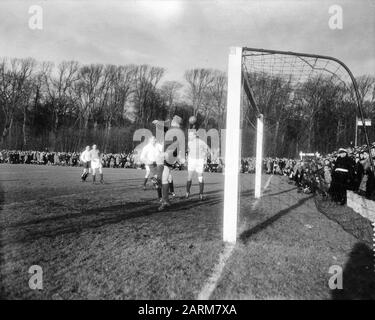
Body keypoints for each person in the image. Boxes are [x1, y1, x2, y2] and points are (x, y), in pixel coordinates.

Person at [186, 130, 210, 200]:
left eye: (190, 135)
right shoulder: (189, 143)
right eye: (189, 135)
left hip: (199, 161)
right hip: (191, 160)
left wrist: (205, 154)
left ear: (194, 135)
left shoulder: (201, 142)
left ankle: (201, 194)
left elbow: (207, 149)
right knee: (189, 177)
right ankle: (187, 192)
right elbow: (189, 150)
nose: (189, 136)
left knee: (200, 178)